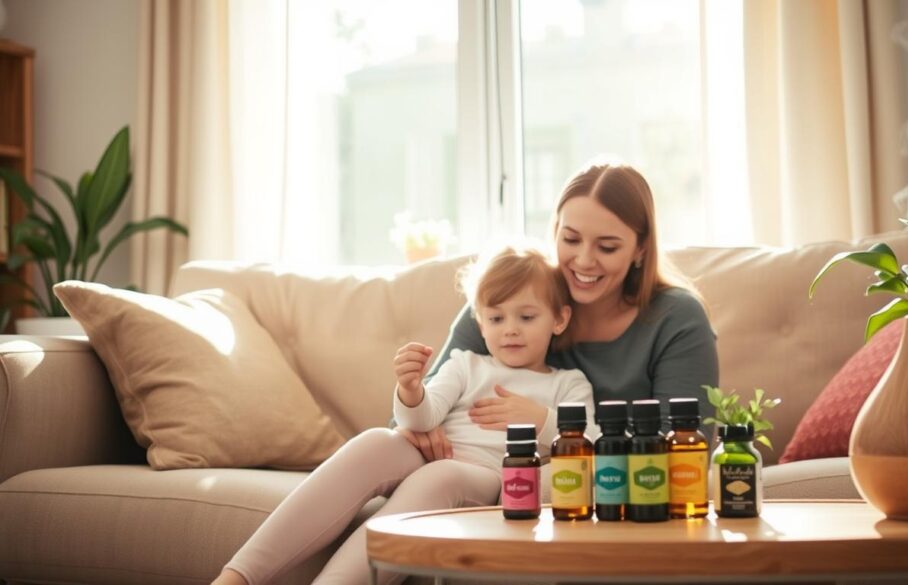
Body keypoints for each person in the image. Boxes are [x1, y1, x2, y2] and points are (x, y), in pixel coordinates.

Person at [212, 245, 596, 585]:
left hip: (486, 474)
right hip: (429, 455)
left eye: (526, 317)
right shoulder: (466, 364)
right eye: (496, 319)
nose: (510, 330)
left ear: (558, 319)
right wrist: (411, 391)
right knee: (377, 440)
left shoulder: (567, 383)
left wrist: (541, 419)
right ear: (480, 322)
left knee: (440, 475)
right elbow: (422, 419)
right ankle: (237, 576)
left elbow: (593, 441)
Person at [401, 160, 719, 462]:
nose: (583, 260)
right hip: (476, 473)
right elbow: (413, 405)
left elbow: (685, 451)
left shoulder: (677, 318)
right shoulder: (511, 302)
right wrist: (430, 429)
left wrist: (550, 425)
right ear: (554, 232)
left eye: (607, 247)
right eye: (570, 239)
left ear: (640, 249)